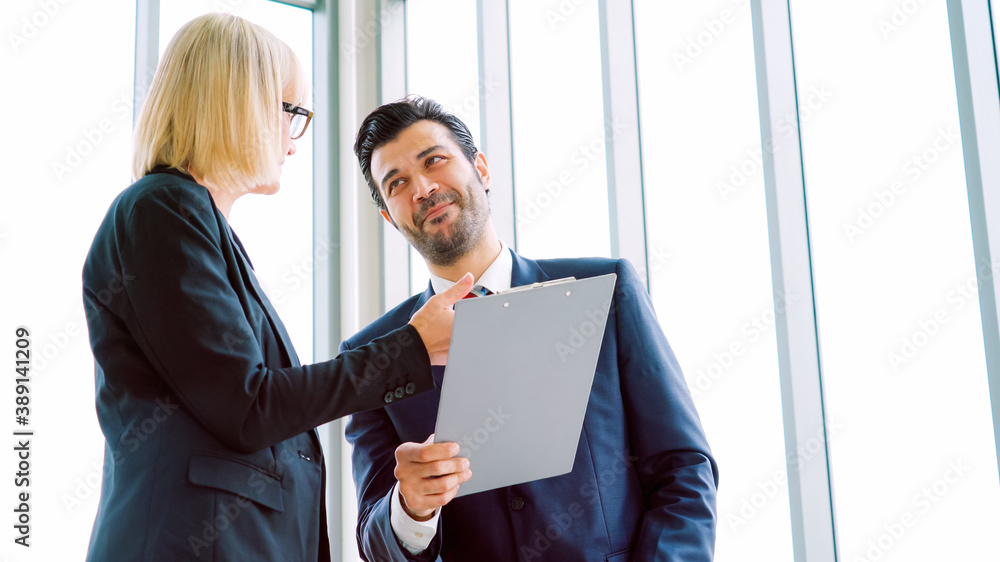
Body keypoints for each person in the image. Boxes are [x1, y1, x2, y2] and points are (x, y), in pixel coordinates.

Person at [82, 15, 472, 562]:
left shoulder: (196, 223)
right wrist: (410, 348)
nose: (294, 139)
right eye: (291, 111)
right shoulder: (161, 210)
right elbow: (250, 405)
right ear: (234, 102)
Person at [344, 96, 719, 561]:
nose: (421, 188)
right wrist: (411, 510)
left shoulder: (606, 291)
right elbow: (376, 543)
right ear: (389, 217)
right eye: (397, 183)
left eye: (434, 161)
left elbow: (682, 467)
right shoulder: (370, 355)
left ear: (480, 168)